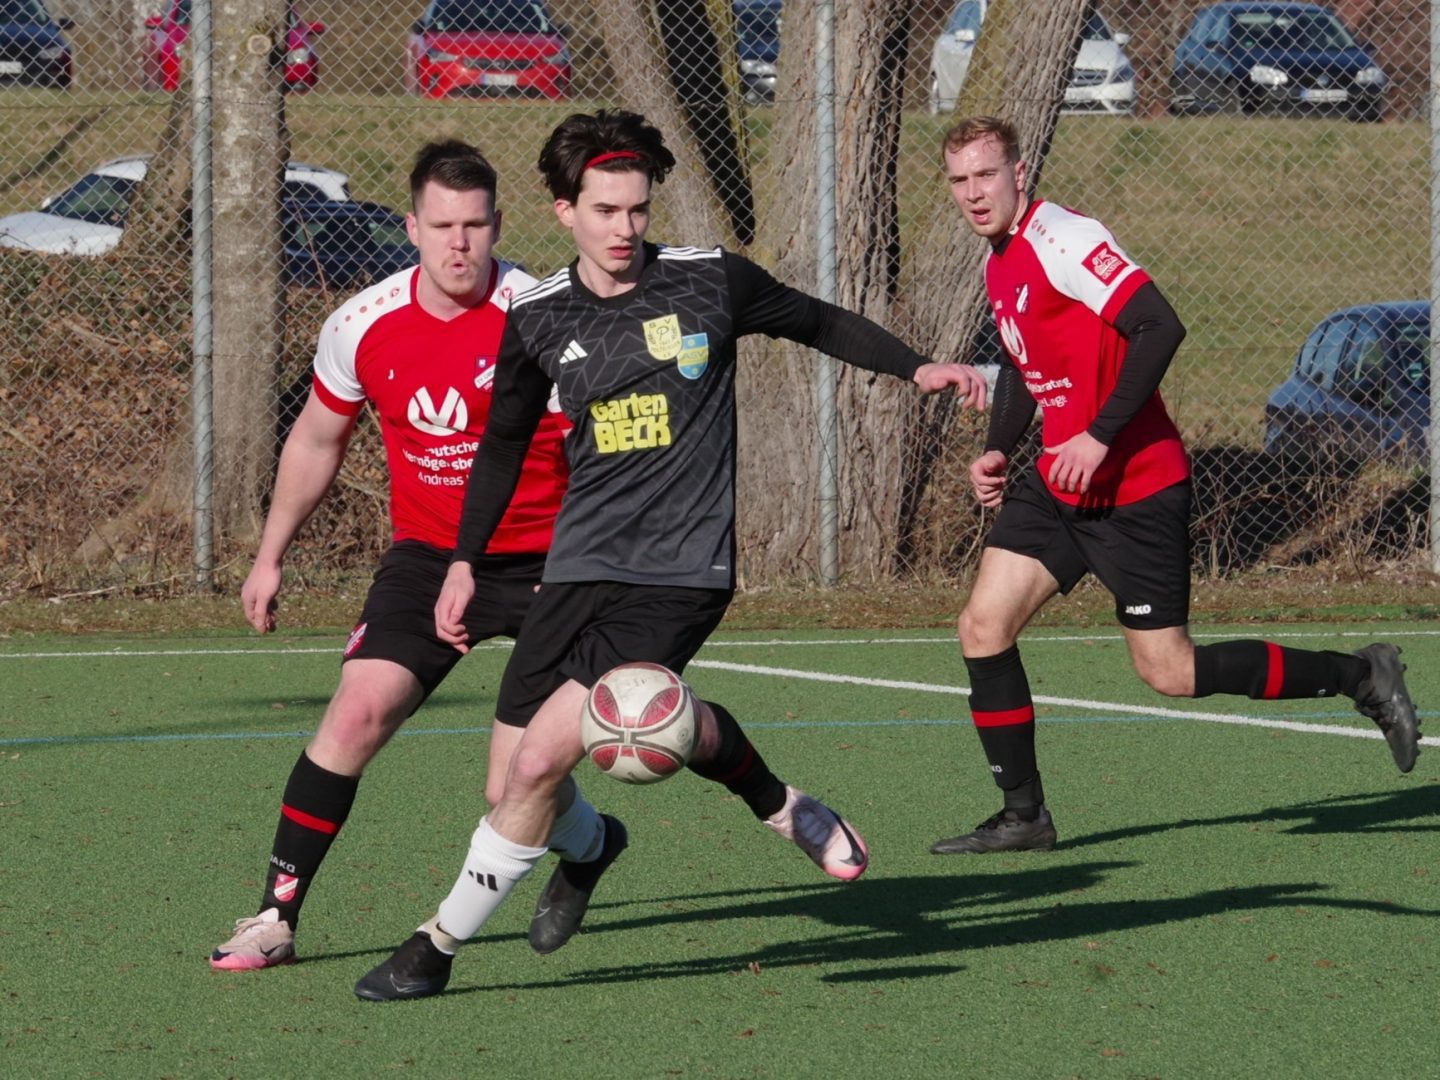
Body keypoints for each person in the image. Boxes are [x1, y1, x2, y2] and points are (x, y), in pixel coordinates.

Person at [352, 109, 990, 1002]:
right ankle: (635, 835)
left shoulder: (709, 281)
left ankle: (433, 949)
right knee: (510, 783)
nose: (625, 228)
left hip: (678, 573)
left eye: (637, 209)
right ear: (564, 210)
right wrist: (463, 560)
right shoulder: (537, 313)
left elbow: (815, 321)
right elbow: (501, 445)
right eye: (605, 210)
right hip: (575, 568)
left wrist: (915, 367)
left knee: (538, 765)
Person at [931, 115, 1421, 856]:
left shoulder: (1064, 239)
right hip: (1060, 486)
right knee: (982, 627)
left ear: (1019, 174)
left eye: (985, 175)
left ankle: (1362, 676)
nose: (974, 192)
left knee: (1171, 671)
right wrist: (997, 449)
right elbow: (1028, 370)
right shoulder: (998, 262)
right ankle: (1023, 815)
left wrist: (1099, 435)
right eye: (960, 180)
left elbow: (1160, 325)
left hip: (1136, 486)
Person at [210, 140, 624, 970]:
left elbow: (608, 449)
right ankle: (274, 918)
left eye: (474, 225)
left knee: (509, 784)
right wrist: (270, 555)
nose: (458, 244)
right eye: (441, 226)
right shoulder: (360, 323)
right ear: (410, 227)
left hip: (554, 564)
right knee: (354, 714)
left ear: (498, 225)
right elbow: (317, 439)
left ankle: (588, 842)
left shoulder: (547, 314)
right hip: (430, 558)